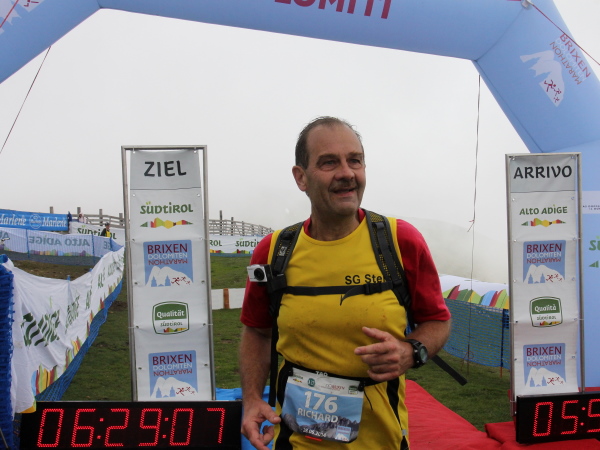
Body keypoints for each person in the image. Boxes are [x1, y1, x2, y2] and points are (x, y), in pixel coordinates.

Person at [239, 116, 451, 449]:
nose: (346, 173)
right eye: (329, 162)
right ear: (301, 177)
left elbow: (438, 320)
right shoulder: (273, 251)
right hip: (295, 443)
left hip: (382, 442)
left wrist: (410, 351)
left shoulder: (400, 241)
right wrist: (252, 398)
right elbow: (257, 331)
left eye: (355, 160)